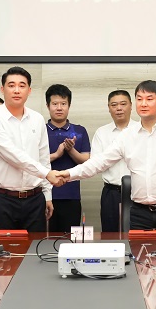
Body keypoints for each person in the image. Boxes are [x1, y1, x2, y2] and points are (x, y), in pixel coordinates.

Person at [55, 80, 156, 232]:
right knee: (136, 248)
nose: (143, 104)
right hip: (139, 213)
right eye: (139, 99)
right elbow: (99, 162)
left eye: (149, 99)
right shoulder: (127, 135)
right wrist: (68, 174)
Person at [0, 66, 60, 231]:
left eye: (22, 85)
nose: (16, 90)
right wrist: (47, 174)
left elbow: (43, 158)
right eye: (11, 85)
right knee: (5, 247)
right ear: (2, 89)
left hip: (35, 198)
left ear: (29, 90)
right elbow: (11, 154)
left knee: (35, 246)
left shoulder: (37, 119)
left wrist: (47, 195)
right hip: (4, 198)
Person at [44, 84, 91, 233]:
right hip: (44, 195)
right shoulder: (39, 130)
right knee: (45, 239)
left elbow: (86, 161)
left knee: (71, 239)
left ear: (69, 106)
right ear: (48, 106)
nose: (59, 108)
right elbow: (32, 161)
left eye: (63, 104)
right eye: (55, 104)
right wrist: (56, 155)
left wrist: (71, 150)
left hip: (71, 195)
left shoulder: (79, 131)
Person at [91, 90, 137, 232]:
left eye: (123, 104)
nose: (119, 108)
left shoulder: (140, 130)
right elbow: (96, 163)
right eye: (114, 105)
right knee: (110, 234)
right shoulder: (101, 132)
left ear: (131, 106)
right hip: (111, 192)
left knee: (136, 234)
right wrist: (115, 154)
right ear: (109, 108)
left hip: (137, 191)